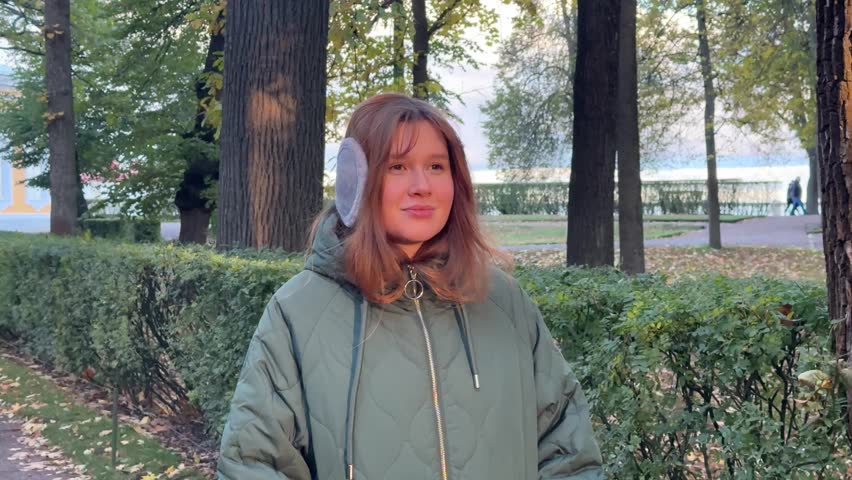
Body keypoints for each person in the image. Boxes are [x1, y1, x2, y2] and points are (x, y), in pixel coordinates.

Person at [216, 93, 603, 480]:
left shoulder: (503, 301)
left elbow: (569, 453)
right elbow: (253, 463)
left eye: (436, 166)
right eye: (397, 166)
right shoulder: (298, 312)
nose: (422, 186)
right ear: (357, 179)